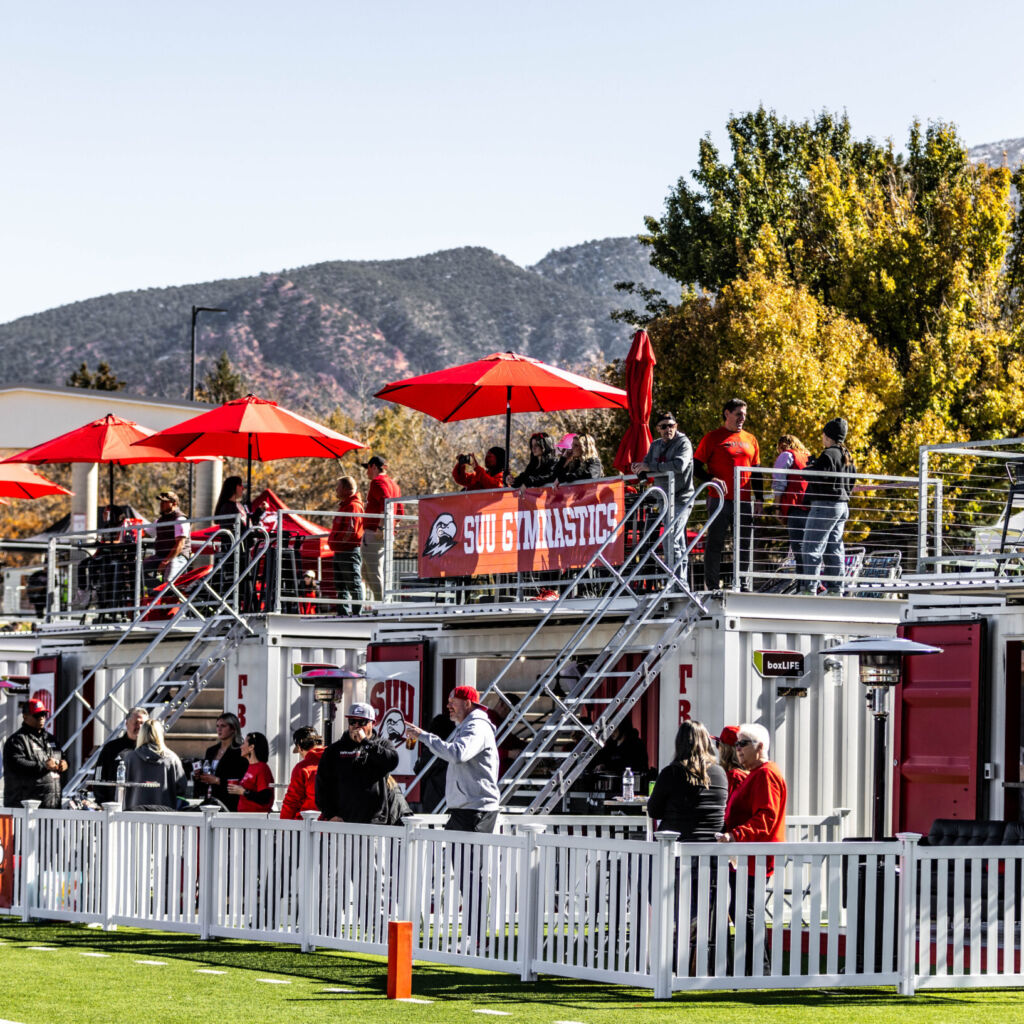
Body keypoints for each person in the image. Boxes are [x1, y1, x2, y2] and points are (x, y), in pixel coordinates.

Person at [717, 722, 787, 974]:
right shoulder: (759, 773)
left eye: (742, 744)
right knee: (744, 910)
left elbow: (766, 817)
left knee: (745, 911)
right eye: (735, 745)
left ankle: (759, 968)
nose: (737, 750)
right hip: (748, 855)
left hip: (754, 856)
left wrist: (735, 834)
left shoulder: (766, 774)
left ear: (759, 747)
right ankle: (756, 967)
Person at [405, 685, 500, 833]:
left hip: (475, 809)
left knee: (467, 856)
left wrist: (423, 736)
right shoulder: (469, 725)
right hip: (467, 808)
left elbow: (457, 754)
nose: (448, 705)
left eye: (452, 701)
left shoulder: (476, 726)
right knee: (455, 855)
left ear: (467, 703)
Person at [693, 399, 763, 590]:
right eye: (738, 414)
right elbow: (696, 466)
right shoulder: (713, 437)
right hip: (719, 499)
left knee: (744, 545)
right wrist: (711, 479)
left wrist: (760, 498)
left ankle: (742, 584)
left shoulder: (751, 439)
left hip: (745, 501)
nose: (742, 418)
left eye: (744, 415)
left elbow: (757, 472)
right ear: (727, 413)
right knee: (716, 543)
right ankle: (712, 585)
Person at [632, 412, 695, 574]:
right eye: (664, 426)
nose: (668, 429)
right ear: (658, 429)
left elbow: (679, 465)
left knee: (670, 537)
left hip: (681, 498)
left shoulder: (683, 443)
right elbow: (646, 463)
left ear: (676, 426)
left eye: (671, 425)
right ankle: (680, 583)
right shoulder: (655, 445)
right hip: (664, 499)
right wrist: (638, 467)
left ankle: (674, 582)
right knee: (677, 541)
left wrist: (651, 467)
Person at [315, 702, 399, 823]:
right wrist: (330, 814)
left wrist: (365, 742)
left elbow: (392, 762)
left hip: (374, 823)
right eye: (352, 721)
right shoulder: (334, 750)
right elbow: (322, 786)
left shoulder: (382, 745)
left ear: (372, 723)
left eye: (362, 722)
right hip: (343, 821)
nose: (356, 726)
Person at [648, 721, 727, 840]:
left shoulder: (671, 773)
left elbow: (654, 812)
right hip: (713, 849)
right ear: (707, 743)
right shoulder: (720, 773)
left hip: (675, 849)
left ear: (679, 744)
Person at [803, 417, 856, 595]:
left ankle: (809, 588)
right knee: (834, 547)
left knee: (811, 546)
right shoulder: (847, 454)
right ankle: (836, 589)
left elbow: (820, 476)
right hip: (842, 505)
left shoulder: (828, 454)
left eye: (824, 435)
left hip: (824, 504)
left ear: (828, 436)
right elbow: (850, 481)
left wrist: (807, 470)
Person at [2, 698, 66, 808]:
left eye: (43, 714)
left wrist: (65, 763)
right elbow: (18, 764)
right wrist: (44, 766)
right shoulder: (17, 740)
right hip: (25, 807)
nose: (41, 718)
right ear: (25, 716)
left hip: (52, 804)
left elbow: (62, 756)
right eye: (37, 715)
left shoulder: (51, 739)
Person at [360, 456, 404, 603]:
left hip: (375, 532)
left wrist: (381, 527)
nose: (366, 472)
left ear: (373, 467)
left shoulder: (377, 482)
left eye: (367, 468)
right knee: (367, 571)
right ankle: (382, 602)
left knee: (373, 572)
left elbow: (386, 502)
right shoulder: (394, 485)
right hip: (383, 532)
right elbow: (400, 511)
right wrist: (392, 527)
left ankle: (382, 605)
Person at [122, 719, 186, 810]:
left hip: (135, 816)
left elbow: (120, 787)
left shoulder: (130, 758)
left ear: (141, 734)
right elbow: (182, 788)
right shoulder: (172, 759)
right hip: (165, 816)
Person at [771, 436, 810, 578]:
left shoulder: (786, 455)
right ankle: (811, 582)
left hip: (795, 507)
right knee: (810, 549)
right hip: (811, 508)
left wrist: (777, 508)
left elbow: (779, 483)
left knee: (798, 549)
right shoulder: (808, 457)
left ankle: (804, 584)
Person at [195, 712, 248, 811]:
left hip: (229, 802)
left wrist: (217, 780)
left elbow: (240, 779)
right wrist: (200, 776)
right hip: (210, 800)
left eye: (223, 726)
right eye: (217, 726)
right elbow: (207, 775)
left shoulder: (239, 751)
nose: (219, 729)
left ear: (233, 729)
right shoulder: (211, 750)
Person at [327, 476, 365, 615]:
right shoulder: (346, 506)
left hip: (347, 551)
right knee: (341, 585)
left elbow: (351, 531)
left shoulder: (352, 506)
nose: (336, 490)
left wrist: (337, 543)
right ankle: (342, 613)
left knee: (353, 584)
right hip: (341, 551)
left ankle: (356, 614)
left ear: (345, 489)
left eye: (338, 487)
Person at [143, 490, 191, 589]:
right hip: (161, 556)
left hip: (178, 557)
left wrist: (165, 562)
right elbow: (144, 534)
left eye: (164, 502)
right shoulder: (159, 521)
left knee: (169, 580)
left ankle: (165, 594)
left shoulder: (180, 519)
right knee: (137, 570)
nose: (161, 504)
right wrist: (133, 533)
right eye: (161, 502)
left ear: (174, 503)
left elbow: (180, 545)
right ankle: (159, 591)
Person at [280, 726, 326, 819]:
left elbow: (292, 801)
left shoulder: (302, 768)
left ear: (300, 748)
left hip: (308, 825)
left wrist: (283, 827)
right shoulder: (335, 760)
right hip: (336, 826)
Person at [414, 711, 455, 813]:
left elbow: (419, 769)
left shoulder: (432, 751)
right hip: (452, 799)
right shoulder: (453, 750)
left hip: (434, 798)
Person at [95, 706, 149, 783]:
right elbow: (98, 776)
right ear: (126, 723)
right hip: (116, 794)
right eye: (136, 723)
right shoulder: (111, 748)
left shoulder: (151, 750)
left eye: (142, 724)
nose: (139, 727)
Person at [228, 731, 275, 813]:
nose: (241, 747)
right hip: (245, 818)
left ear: (251, 747)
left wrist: (243, 792)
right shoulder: (248, 767)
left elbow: (265, 797)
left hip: (256, 819)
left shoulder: (262, 768)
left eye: (244, 743)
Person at [715, 725, 748, 804]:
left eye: (718, 744)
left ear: (725, 750)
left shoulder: (733, 777)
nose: (717, 749)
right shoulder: (748, 775)